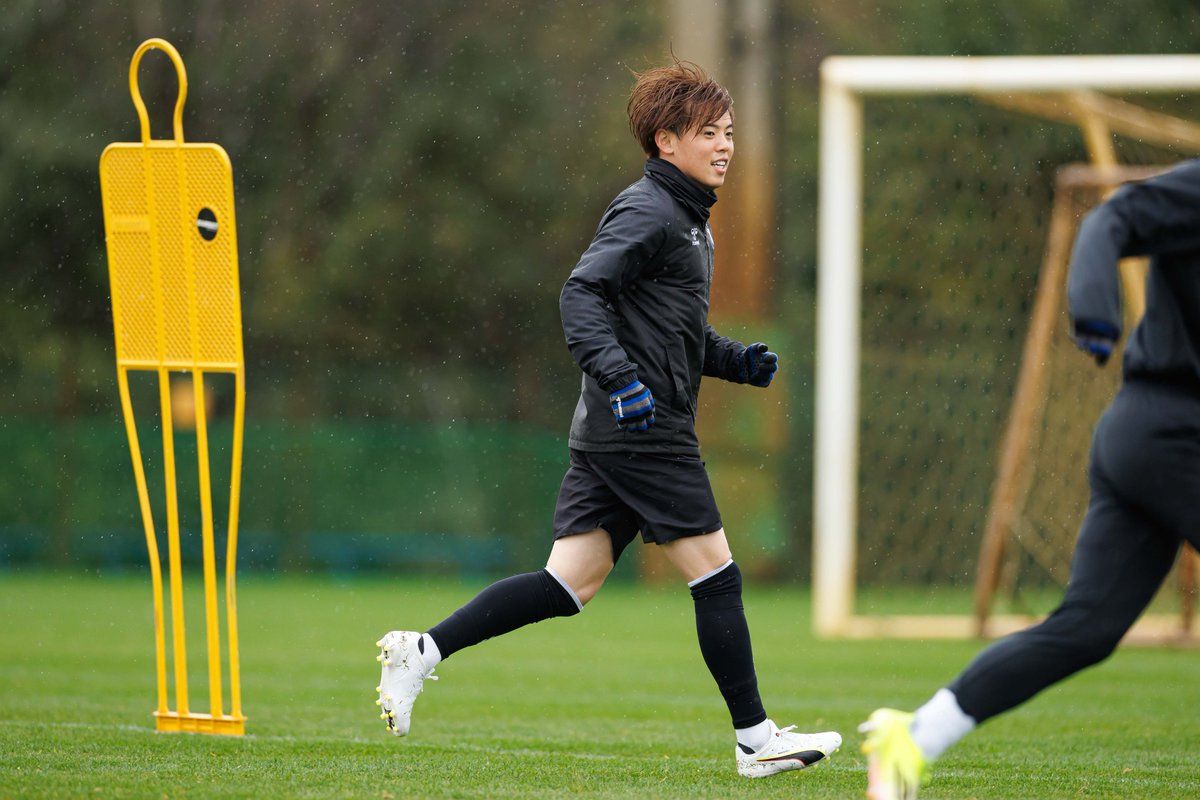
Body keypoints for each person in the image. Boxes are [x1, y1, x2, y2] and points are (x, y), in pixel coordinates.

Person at [375, 58, 842, 779]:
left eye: (728, 133)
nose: (724, 146)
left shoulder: (688, 222)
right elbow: (580, 294)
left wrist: (735, 361)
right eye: (707, 133)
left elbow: (672, 333)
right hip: (642, 431)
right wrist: (621, 380)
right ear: (664, 142)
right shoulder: (650, 211)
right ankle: (755, 740)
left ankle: (422, 651)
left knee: (569, 584)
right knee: (717, 576)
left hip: (614, 430)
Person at [861, 159, 1200, 799]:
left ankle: (912, 738)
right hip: (1171, 432)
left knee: (1085, 630)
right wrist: (1095, 308)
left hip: (1142, 438)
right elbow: (1113, 216)